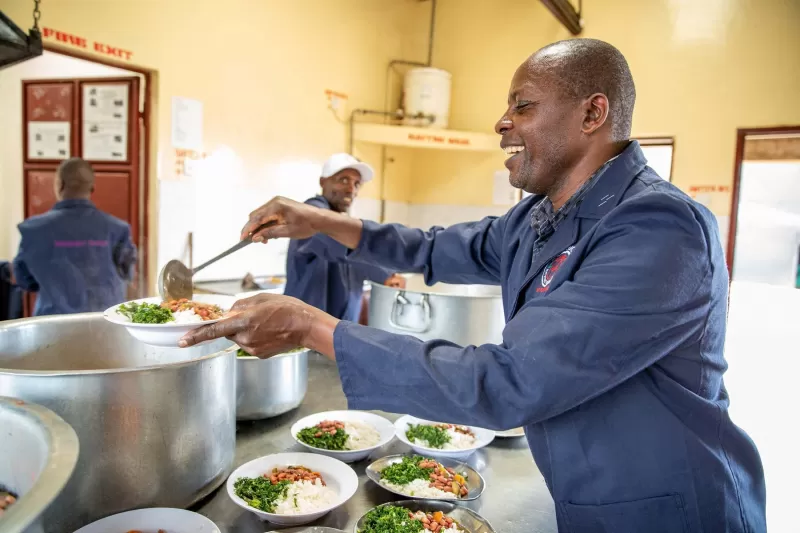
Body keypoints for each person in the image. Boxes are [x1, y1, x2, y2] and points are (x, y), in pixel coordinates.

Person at [181, 39, 766, 532]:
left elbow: (515, 380)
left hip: (672, 506)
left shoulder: (659, 229)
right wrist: (319, 220)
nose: (502, 122)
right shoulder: (539, 217)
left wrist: (310, 326)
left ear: (592, 114)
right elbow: (431, 248)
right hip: (587, 494)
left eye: (523, 105)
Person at [281, 153, 404, 323]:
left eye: (356, 184)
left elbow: (355, 261)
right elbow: (337, 243)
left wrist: (387, 274)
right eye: (343, 180)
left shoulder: (341, 225)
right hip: (306, 329)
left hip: (338, 331)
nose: (351, 189)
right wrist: (385, 273)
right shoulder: (311, 213)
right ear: (323, 182)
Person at [13, 157, 137, 315]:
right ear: (92, 188)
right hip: (105, 325)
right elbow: (128, 274)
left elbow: (24, 280)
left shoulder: (32, 230)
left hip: (52, 327)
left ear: (60, 184)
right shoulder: (119, 230)